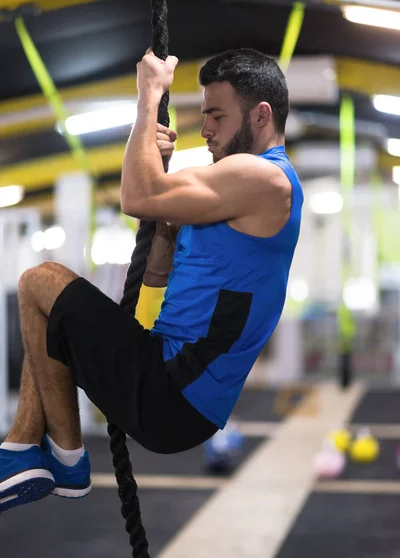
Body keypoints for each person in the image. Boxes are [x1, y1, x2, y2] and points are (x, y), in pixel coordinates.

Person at [0, 47, 303, 513]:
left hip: (173, 391)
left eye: (216, 116)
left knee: (42, 281)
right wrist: (160, 203)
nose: (204, 130)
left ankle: (50, 455)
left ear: (261, 116)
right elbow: (157, 273)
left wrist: (148, 96)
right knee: (51, 316)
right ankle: (37, 453)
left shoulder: (267, 178)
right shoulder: (235, 195)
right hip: (174, 390)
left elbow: (136, 195)